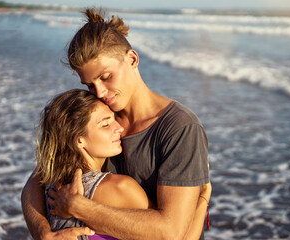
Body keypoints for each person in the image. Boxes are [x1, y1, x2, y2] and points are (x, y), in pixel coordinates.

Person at [21, 8, 210, 240]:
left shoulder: (179, 127)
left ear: (132, 59)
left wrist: (78, 207)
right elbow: (37, 180)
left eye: (106, 77)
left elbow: (170, 232)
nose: (99, 92)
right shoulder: (99, 115)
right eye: (90, 85)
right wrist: (42, 233)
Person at [34, 89, 211, 240]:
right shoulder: (119, 188)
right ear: (79, 141)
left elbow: (31, 186)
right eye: (105, 124)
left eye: (113, 119)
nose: (118, 128)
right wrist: (203, 197)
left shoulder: (51, 186)